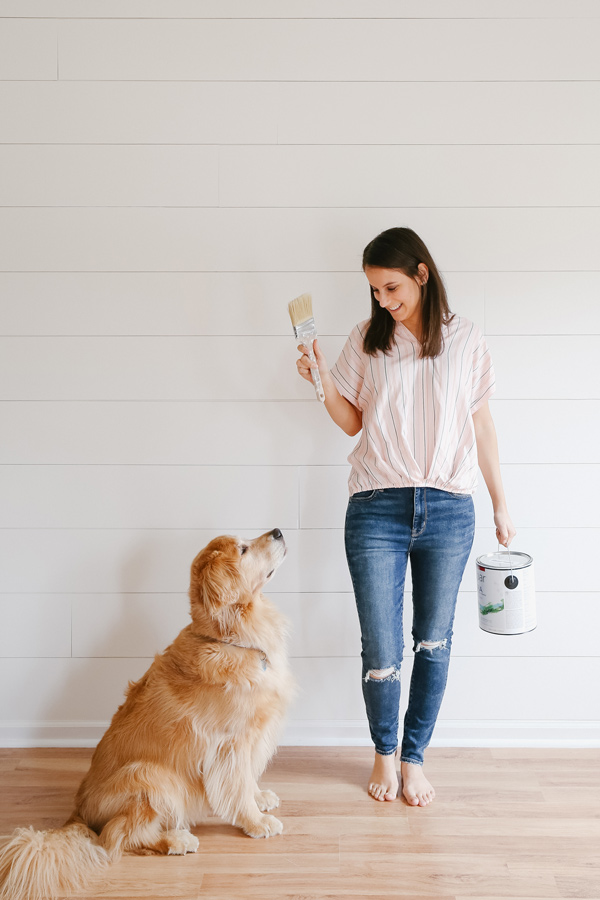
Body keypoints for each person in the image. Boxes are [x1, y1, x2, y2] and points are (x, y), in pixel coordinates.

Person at [295, 226, 516, 808]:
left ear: (422, 273)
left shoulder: (465, 338)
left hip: (448, 507)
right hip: (376, 506)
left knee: (434, 642)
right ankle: (383, 754)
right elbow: (351, 422)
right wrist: (320, 380)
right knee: (381, 647)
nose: (383, 301)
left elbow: (483, 426)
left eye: (391, 287)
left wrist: (502, 503)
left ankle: (415, 758)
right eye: (373, 291)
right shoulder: (368, 339)